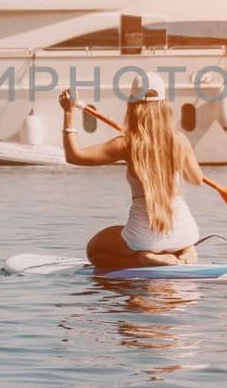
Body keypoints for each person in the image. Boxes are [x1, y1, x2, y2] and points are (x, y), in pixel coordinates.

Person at [58, 75, 205, 269]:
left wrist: (68, 113)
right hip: (186, 233)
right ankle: (186, 250)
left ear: (132, 105)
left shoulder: (126, 144)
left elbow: (74, 156)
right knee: (171, 238)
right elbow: (197, 180)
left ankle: (143, 259)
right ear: (164, 105)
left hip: (143, 239)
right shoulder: (180, 140)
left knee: (95, 250)